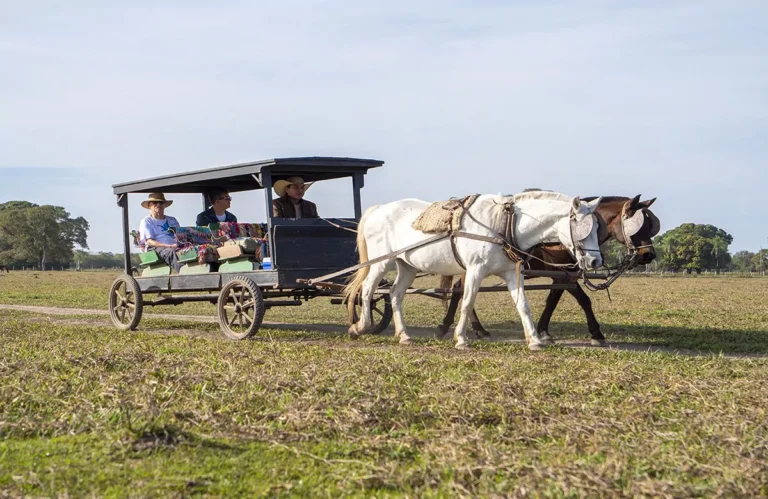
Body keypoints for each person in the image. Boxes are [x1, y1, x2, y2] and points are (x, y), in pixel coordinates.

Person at [138, 192, 182, 272]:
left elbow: (181, 236)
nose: (158, 205)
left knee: (195, 249)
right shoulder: (147, 221)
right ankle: (184, 273)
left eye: (161, 202)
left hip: (175, 246)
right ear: (149, 205)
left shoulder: (172, 220)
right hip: (155, 249)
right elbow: (149, 242)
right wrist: (169, 246)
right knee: (172, 252)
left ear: (164, 205)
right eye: (155, 202)